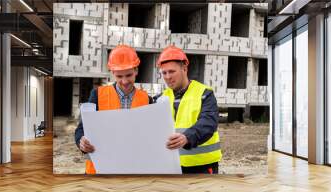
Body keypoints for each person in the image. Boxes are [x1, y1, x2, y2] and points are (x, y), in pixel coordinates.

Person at [75, 45, 153, 174]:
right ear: (112, 73)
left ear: (136, 71)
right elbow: (81, 128)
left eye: (129, 75)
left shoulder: (147, 99)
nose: (125, 81)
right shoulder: (97, 95)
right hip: (100, 169)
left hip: (132, 168)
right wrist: (81, 142)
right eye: (119, 76)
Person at [156, 45, 222, 174]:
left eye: (172, 71)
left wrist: (187, 137)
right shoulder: (161, 98)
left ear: (184, 69)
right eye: (164, 73)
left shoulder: (204, 93)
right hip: (172, 165)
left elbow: (208, 122)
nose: (168, 77)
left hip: (202, 166)